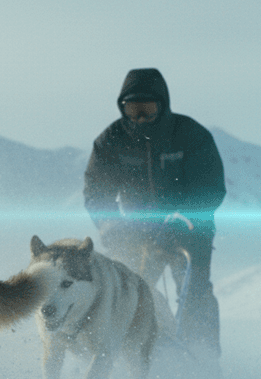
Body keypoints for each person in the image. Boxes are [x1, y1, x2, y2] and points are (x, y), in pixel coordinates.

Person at [83, 68, 226, 361]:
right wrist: (112, 227)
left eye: (147, 110)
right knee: (128, 294)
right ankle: (137, 354)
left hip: (189, 230)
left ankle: (204, 357)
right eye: (132, 110)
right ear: (122, 108)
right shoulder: (112, 141)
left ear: (162, 105)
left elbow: (210, 187)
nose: (139, 119)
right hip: (135, 233)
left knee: (195, 292)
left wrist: (183, 220)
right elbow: (97, 193)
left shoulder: (190, 135)